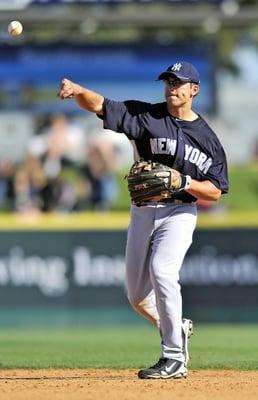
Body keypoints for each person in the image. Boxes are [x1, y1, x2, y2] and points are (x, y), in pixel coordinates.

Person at [58, 61, 229, 379]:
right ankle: (176, 327)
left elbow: (216, 191)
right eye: (167, 81)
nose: (171, 87)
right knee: (137, 296)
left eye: (178, 82)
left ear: (194, 89)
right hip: (142, 212)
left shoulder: (207, 139)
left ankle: (174, 356)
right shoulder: (146, 116)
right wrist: (79, 91)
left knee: (162, 270)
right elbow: (100, 105)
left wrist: (184, 183)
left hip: (179, 212)